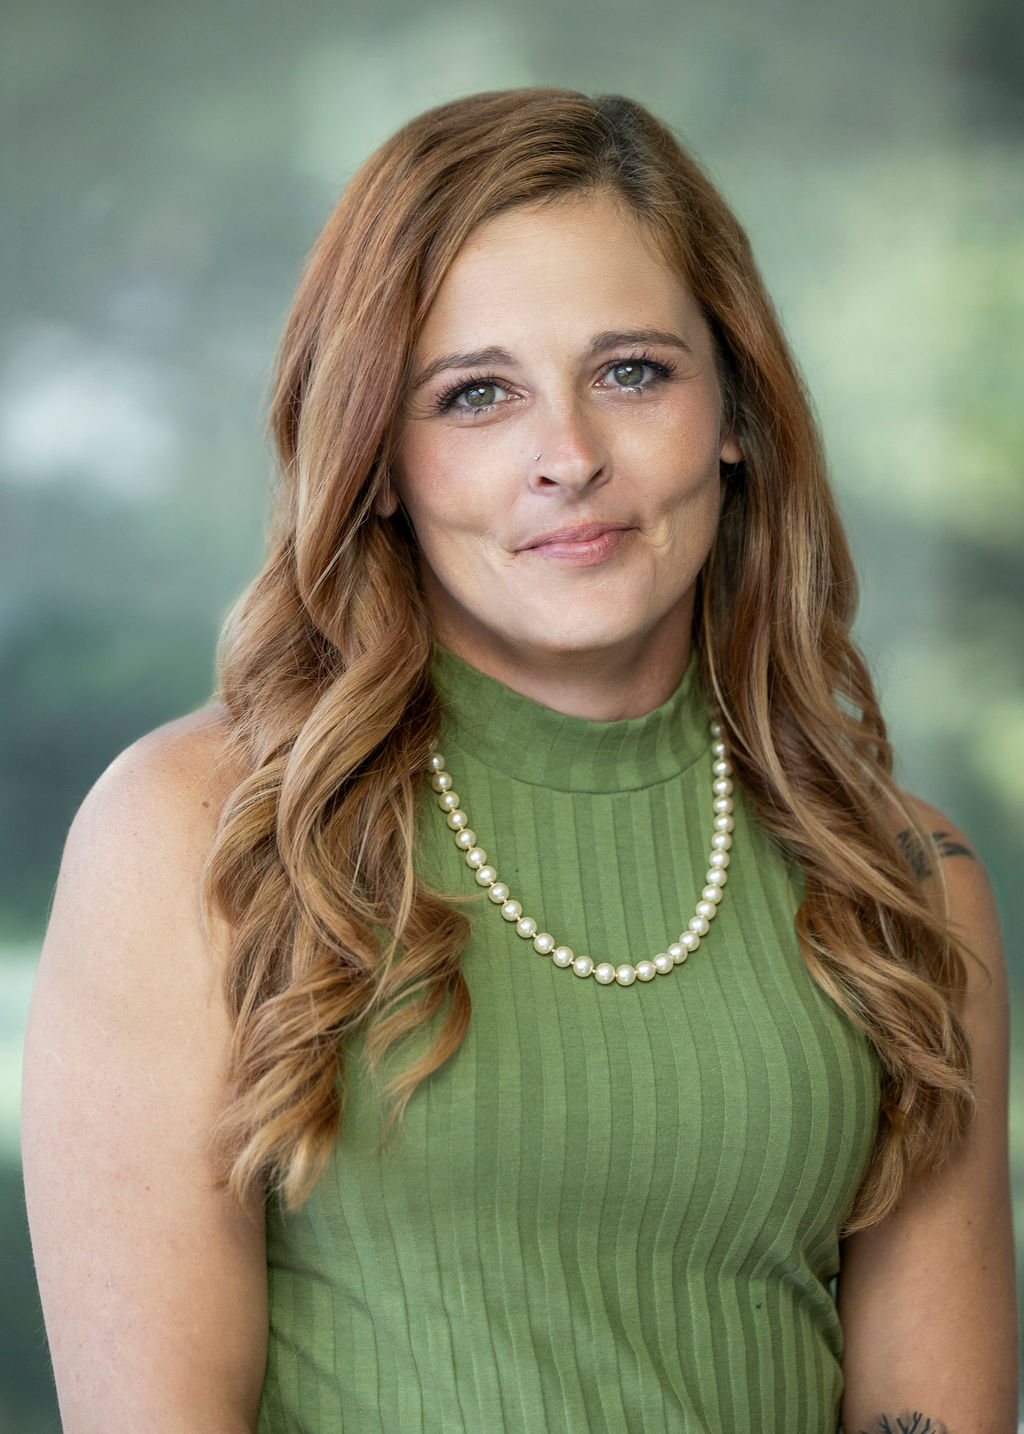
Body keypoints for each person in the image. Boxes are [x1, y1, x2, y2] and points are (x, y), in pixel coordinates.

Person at [21, 88, 1016, 1434]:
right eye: (475, 394)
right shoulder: (197, 833)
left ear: (734, 411)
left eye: (633, 371)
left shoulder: (905, 878)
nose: (570, 459)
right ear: (380, 461)